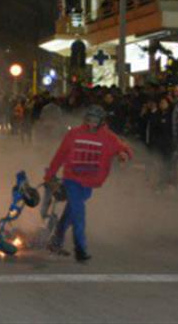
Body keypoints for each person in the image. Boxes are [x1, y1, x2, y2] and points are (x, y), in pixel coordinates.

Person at [44, 106, 133, 263]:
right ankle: (70, 245)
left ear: (101, 122)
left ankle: (56, 240)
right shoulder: (74, 134)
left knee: (72, 210)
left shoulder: (108, 137)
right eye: (89, 120)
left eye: (95, 121)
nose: (92, 123)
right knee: (76, 210)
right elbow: (61, 154)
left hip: (90, 181)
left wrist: (124, 154)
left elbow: (123, 148)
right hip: (72, 178)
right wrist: (50, 175)